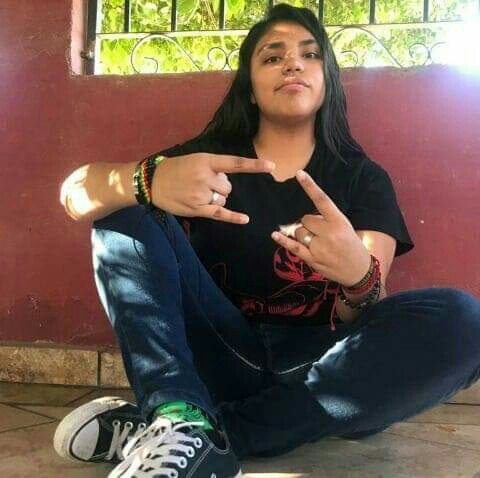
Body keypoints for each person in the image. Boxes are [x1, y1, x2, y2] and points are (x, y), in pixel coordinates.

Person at [54, 4, 480, 478]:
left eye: (310, 54)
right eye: (273, 57)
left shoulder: (363, 179)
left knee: (466, 321)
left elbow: (363, 313)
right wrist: (143, 180)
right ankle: (180, 413)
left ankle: (193, 432)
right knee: (125, 210)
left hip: (324, 374)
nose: (293, 63)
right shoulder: (203, 162)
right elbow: (75, 193)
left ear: (327, 80)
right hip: (221, 353)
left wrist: (359, 278)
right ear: (251, 89)